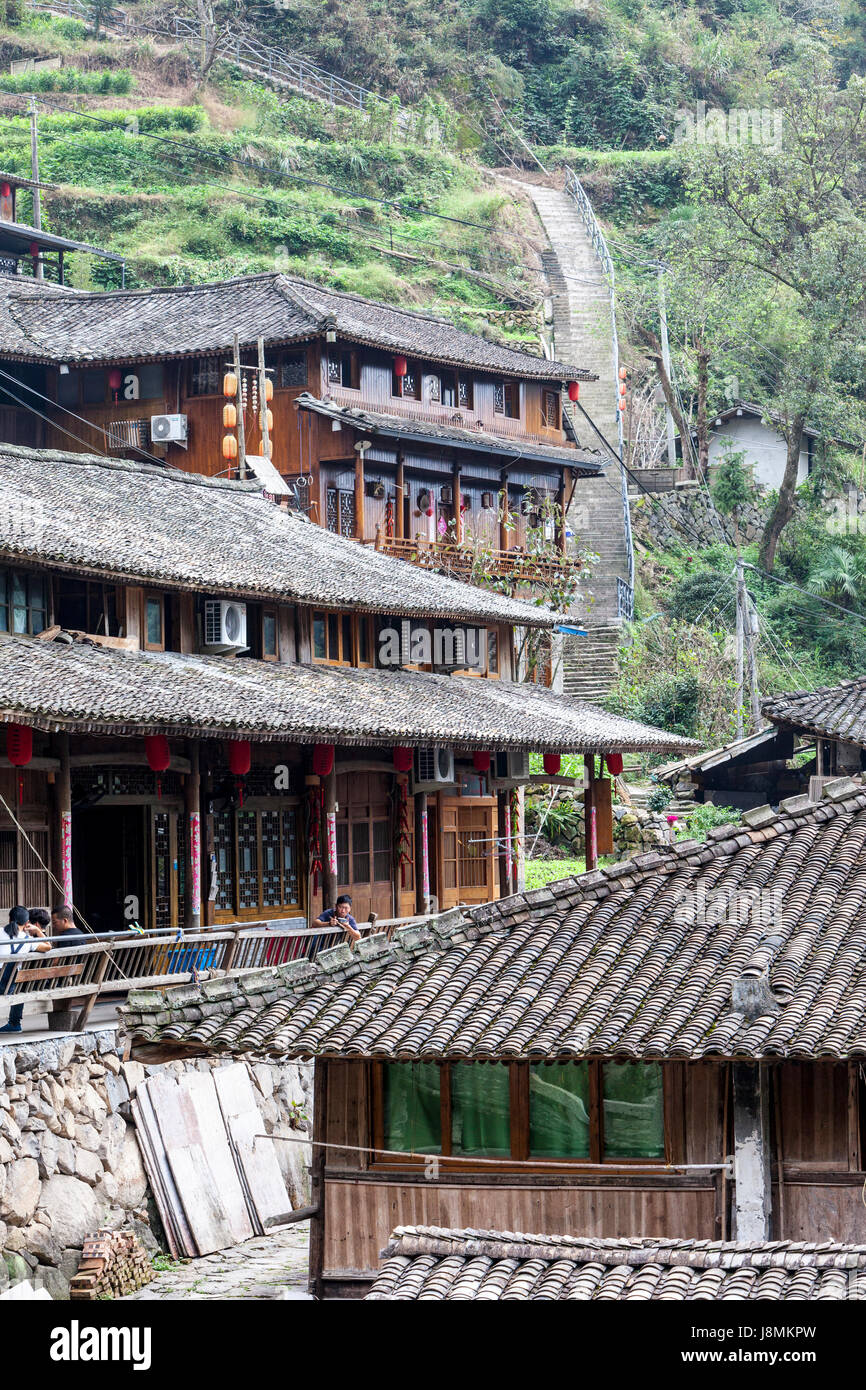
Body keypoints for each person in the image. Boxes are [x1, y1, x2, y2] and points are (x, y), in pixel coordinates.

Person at [0, 905, 50, 1034]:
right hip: (11, 987)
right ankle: (14, 1023)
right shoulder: (29, 941)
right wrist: (38, 931)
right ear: (27, 923)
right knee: (20, 985)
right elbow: (48, 946)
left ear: (9, 919)